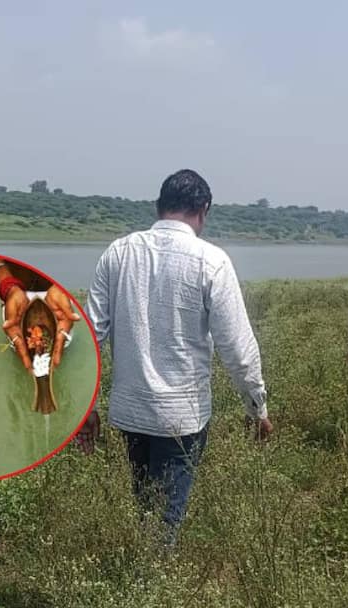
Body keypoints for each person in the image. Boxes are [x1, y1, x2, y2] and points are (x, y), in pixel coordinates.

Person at [76, 169, 272, 545]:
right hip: (181, 416)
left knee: (146, 503)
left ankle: (146, 569)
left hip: (129, 413)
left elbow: (89, 337)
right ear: (204, 209)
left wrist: (84, 405)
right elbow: (238, 348)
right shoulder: (211, 260)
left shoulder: (118, 252)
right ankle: (151, 583)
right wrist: (257, 408)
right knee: (166, 517)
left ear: (159, 207)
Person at [0, 254, 80, 371]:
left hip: (60, 298)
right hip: (15, 294)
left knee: (60, 349)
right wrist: (7, 286)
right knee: (21, 351)